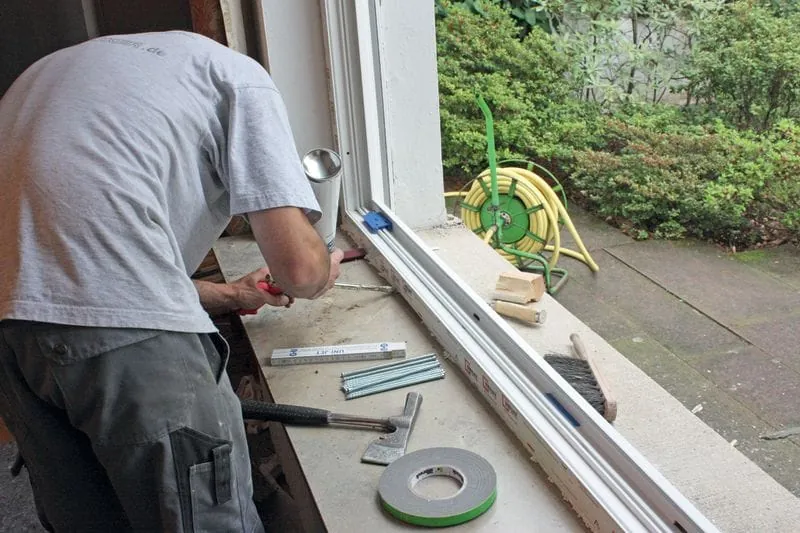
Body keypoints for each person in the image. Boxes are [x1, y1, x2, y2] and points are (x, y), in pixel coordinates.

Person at [0, 30, 343, 532]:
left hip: (11, 332)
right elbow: (301, 271)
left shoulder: (59, 70)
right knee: (201, 515)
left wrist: (234, 294)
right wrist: (323, 265)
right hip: (124, 350)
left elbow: (64, 279)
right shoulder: (240, 80)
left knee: (89, 514)